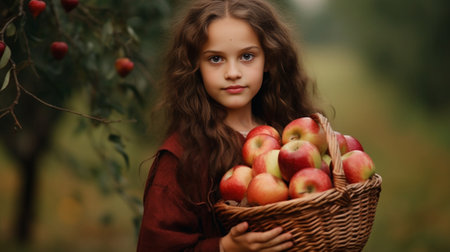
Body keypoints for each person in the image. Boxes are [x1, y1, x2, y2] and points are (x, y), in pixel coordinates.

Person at [137, 0, 323, 251]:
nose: (232, 72)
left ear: (268, 59)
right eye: (215, 59)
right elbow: (157, 245)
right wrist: (224, 247)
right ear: (195, 66)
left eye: (247, 56)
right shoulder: (183, 156)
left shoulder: (289, 135)